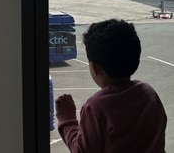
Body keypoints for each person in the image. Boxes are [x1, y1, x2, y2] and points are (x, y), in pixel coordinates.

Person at [55, 19, 167, 152]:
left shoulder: (97, 107)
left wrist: (67, 120)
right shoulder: (149, 94)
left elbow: (82, 150)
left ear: (95, 68)